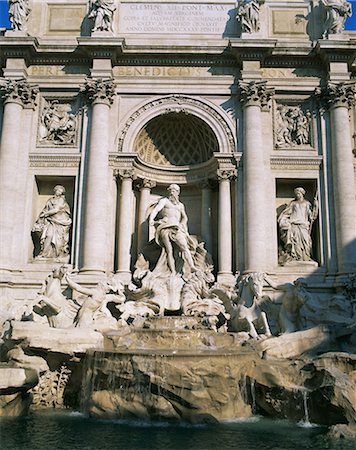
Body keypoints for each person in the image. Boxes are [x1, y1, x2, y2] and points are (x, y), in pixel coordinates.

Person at [149, 184, 197, 276]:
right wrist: (152, 219)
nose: (172, 192)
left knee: (184, 247)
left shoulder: (180, 205)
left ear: (178, 193)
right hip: (165, 227)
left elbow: (185, 217)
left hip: (177, 227)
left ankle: (191, 266)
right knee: (169, 250)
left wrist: (183, 225)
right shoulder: (164, 201)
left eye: (174, 191)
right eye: (170, 190)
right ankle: (173, 271)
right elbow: (156, 210)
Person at [278, 187, 318, 264]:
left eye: (299, 193)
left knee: (306, 241)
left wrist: (316, 206)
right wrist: (284, 221)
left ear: (302, 194)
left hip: (304, 225)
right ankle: (296, 257)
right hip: (294, 224)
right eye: (296, 194)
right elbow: (286, 213)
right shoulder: (293, 204)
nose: (298, 195)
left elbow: (312, 216)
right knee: (295, 241)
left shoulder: (307, 203)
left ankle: (306, 257)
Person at [32, 185, 72, 260]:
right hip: (51, 221)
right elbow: (45, 209)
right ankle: (44, 254)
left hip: (60, 222)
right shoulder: (50, 200)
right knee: (49, 235)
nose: (58, 192)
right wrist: (43, 215)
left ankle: (58, 255)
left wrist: (46, 214)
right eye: (57, 190)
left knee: (58, 240)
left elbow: (56, 210)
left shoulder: (61, 200)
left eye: (60, 191)